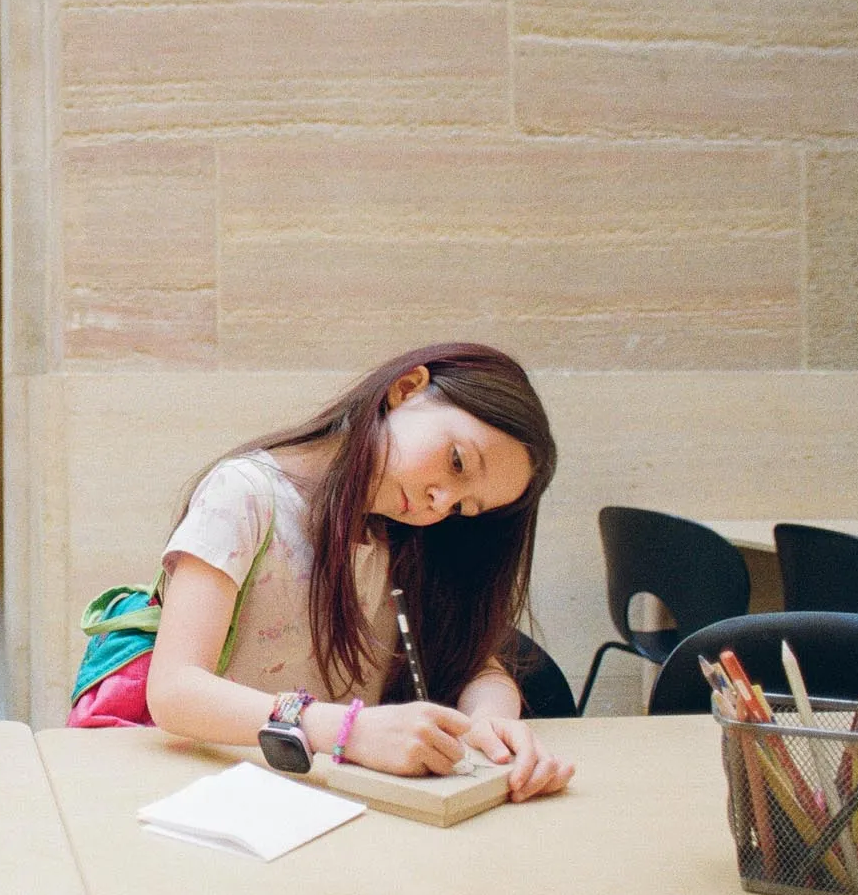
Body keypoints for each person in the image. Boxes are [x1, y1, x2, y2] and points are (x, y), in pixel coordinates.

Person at [133, 342, 574, 800]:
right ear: (407, 388)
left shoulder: (414, 538)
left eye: (464, 507)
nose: (441, 502)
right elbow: (173, 692)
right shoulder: (246, 495)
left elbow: (474, 666)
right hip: (225, 794)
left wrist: (489, 723)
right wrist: (349, 729)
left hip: (345, 803)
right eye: (457, 461)